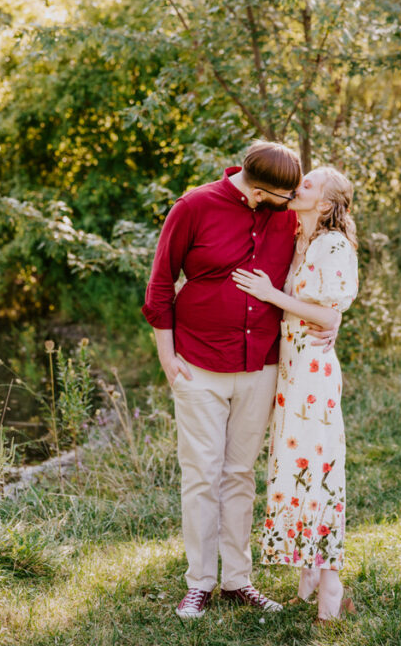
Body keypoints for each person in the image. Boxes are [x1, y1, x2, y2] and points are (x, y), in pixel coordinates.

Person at [142, 141, 338, 619]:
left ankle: (238, 580)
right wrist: (168, 359)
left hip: (261, 366)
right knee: (202, 476)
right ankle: (199, 583)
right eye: (279, 197)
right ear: (255, 191)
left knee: (238, 475)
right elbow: (161, 285)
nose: (288, 203)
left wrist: (328, 319)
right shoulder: (193, 207)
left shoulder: (285, 210)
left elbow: (324, 266)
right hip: (198, 366)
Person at [232, 166, 358, 622]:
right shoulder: (304, 238)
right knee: (295, 468)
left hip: (313, 376)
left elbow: (327, 316)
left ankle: (330, 583)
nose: (297, 187)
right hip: (293, 369)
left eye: (307, 185)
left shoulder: (332, 244)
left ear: (325, 203)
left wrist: (269, 294)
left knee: (319, 470)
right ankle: (309, 566)